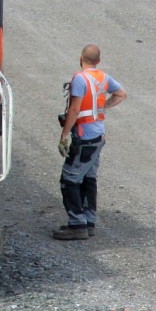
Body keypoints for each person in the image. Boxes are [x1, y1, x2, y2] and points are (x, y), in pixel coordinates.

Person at [53, 44, 127, 240]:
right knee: (89, 177)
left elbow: (75, 110)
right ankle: (89, 221)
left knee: (69, 179)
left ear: (80, 58)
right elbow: (121, 94)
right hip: (98, 135)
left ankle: (77, 224)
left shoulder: (80, 79)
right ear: (98, 61)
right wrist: (102, 109)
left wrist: (64, 135)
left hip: (84, 137)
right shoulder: (103, 78)